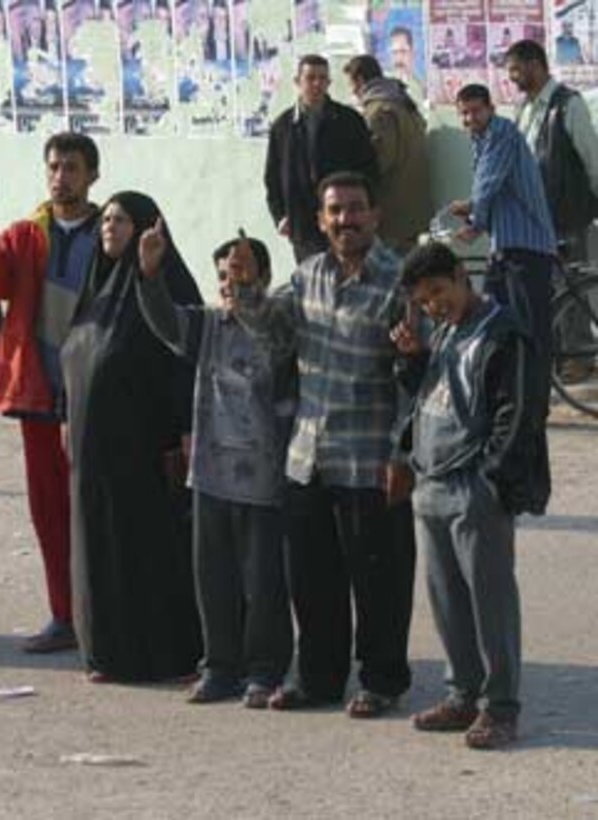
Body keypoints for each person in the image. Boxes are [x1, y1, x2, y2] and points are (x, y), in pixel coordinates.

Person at [269, 171, 416, 717]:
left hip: (371, 460)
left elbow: (414, 380)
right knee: (312, 581)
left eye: (355, 209)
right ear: (320, 219)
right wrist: (242, 296)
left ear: (375, 215)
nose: (345, 219)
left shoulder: (400, 283)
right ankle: (318, 679)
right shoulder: (306, 277)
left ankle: (381, 681)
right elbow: (272, 338)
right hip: (309, 459)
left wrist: (403, 456)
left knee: (380, 582)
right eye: (335, 211)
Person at [137, 230, 295, 706]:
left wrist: (250, 294)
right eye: (224, 277)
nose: (231, 285)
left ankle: (265, 669)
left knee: (263, 581)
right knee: (214, 578)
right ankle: (221, 666)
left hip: (263, 477)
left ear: (265, 278)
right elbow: (165, 322)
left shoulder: (279, 325)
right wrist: (148, 274)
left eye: (242, 274)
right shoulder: (208, 326)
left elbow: (272, 336)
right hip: (210, 474)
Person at [391, 242, 538, 750]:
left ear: (460, 276)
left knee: (489, 600)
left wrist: (490, 481)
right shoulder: (444, 330)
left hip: (473, 486)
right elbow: (434, 393)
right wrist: (411, 362)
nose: (433, 305)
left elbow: (516, 415)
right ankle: (462, 695)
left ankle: (500, 707)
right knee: (446, 598)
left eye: (438, 291)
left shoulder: (502, 332)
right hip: (431, 483)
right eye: (423, 299)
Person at [0, 133, 101, 654]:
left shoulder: (111, 231)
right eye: (55, 167)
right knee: (49, 510)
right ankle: (64, 614)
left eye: (72, 167)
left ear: (92, 176)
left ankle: (102, 613)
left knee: (97, 507)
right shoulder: (25, 234)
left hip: (96, 398)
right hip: (39, 396)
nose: (61, 176)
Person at [59, 192, 203, 683]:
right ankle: (105, 650)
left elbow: (186, 358)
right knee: (96, 544)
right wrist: (65, 416)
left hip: (144, 448)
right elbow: (74, 355)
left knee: (145, 548)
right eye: (105, 221)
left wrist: (185, 432)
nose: (109, 229)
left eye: (120, 221)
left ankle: (160, 653)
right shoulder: (96, 287)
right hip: (91, 450)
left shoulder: (161, 285)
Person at [449, 83, 555, 516]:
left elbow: (490, 186)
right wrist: (472, 211)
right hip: (505, 253)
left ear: (490, 108)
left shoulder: (502, 135)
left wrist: (474, 219)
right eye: (465, 114)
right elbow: (485, 192)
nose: (471, 119)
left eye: (476, 111)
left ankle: (526, 471)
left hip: (524, 253)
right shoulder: (483, 139)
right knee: (497, 350)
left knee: (525, 355)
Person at [506, 38, 598, 384]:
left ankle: (580, 356)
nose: (512, 77)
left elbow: (592, 158)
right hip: (536, 218)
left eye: (515, 69)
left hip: (568, 211)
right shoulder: (525, 108)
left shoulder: (567, 104)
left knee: (572, 284)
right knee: (550, 289)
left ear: (535, 65)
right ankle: (561, 354)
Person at [264, 54, 378, 263]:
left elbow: (369, 170)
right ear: (298, 82)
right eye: (310, 78)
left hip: (344, 221)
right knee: (312, 285)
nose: (317, 84)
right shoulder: (282, 127)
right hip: (303, 225)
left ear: (329, 83)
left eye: (322, 78)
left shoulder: (349, 121)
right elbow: (272, 177)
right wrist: (279, 216)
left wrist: (366, 212)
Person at [344, 54, 431, 253]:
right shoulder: (402, 102)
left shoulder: (379, 112)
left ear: (359, 80)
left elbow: (380, 162)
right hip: (412, 208)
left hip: (393, 213)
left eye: (351, 84)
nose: (352, 91)